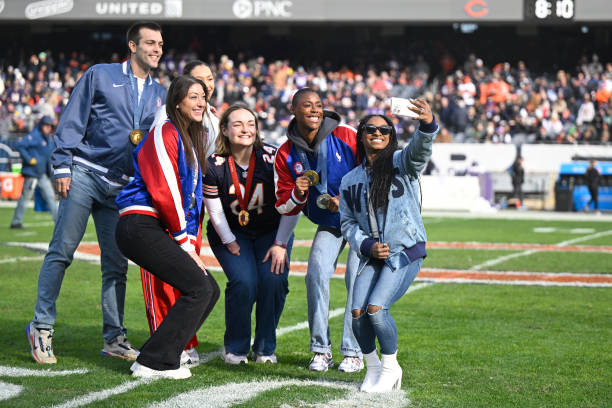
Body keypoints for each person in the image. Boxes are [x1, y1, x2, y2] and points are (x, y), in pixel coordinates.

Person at [25, 21, 167, 365]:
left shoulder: (161, 93)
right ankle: (41, 326)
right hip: (85, 172)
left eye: (160, 44)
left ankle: (114, 337)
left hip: (121, 187)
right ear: (131, 46)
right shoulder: (100, 75)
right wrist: (61, 164)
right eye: (150, 42)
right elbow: (74, 118)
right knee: (62, 251)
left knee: (117, 265)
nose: (157, 48)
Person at [115, 75, 220, 379]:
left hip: (156, 228)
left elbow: (190, 196)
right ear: (177, 102)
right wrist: (184, 242)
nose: (201, 103)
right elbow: (166, 188)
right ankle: (156, 361)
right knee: (198, 288)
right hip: (139, 223)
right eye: (193, 97)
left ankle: (156, 355)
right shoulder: (165, 130)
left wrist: (185, 238)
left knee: (208, 289)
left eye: (203, 97)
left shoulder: (191, 138)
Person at [339, 100, 439, 392]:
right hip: (373, 255)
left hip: (403, 252)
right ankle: (372, 368)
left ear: (391, 135)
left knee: (376, 309)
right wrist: (366, 244)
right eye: (370, 129)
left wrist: (427, 125)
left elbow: (419, 152)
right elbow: (347, 222)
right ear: (361, 134)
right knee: (356, 313)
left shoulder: (400, 162)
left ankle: (391, 367)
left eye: (384, 130)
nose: (377, 134)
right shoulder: (349, 180)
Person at [274, 88, 363, 372]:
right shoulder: (286, 152)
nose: (314, 110)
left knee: (355, 278)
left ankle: (353, 350)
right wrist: (298, 194)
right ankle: (320, 350)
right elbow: (283, 205)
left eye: (319, 105)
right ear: (293, 109)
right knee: (315, 273)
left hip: (361, 220)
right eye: (307, 105)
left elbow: (371, 173)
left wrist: (348, 202)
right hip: (329, 223)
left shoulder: (347, 134)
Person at [204, 104, 298, 364]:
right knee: (244, 282)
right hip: (231, 231)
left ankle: (265, 347)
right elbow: (215, 212)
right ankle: (236, 347)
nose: (246, 129)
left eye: (250, 123)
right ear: (224, 129)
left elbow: (293, 203)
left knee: (274, 280)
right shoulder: (213, 164)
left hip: (272, 231)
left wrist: (280, 243)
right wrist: (229, 241)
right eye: (237, 124)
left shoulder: (273, 158)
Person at [141, 60, 219, 366]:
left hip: (190, 212)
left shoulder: (207, 118)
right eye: (197, 84)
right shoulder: (166, 121)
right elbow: (164, 174)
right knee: (164, 280)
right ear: (180, 92)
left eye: (209, 81)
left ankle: (183, 341)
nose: (206, 89)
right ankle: (164, 344)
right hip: (164, 214)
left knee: (192, 281)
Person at [10, 115, 58, 229]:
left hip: (41, 173)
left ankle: (58, 222)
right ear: (41, 125)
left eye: (50, 126)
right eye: (46, 125)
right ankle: (16, 222)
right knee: (25, 197)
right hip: (32, 173)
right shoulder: (34, 136)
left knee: (50, 196)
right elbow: (20, 146)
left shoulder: (48, 138)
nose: (48, 128)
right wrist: (28, 158)